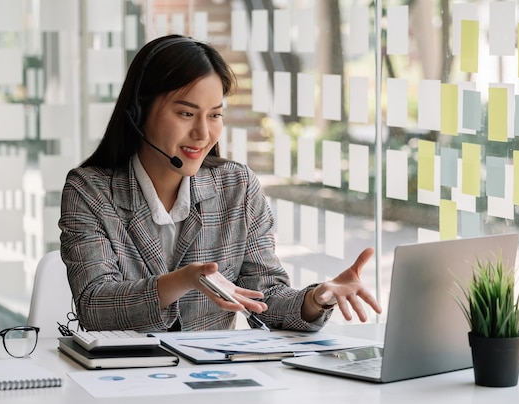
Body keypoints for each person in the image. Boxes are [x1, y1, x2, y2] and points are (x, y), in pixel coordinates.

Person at [58, 34, 382, 333]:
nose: (203, 134)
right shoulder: (90, 191)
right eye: (186, 114)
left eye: (214, 115)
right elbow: (94, 305)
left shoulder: (237, 187)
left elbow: (265, 295)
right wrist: (184, 280)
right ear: (138, 111)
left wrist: (316, 299)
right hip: (122, 378)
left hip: (214, 381)